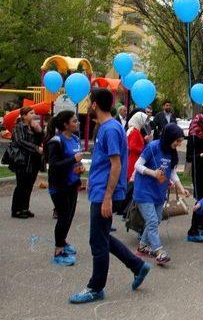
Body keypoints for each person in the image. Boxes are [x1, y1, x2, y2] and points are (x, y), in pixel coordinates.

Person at [69, 88, 151, 304]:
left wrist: (106, 197)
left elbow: (116, 165)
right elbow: (106, 163)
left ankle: (96, 288)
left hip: (105, 194)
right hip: (100, 190)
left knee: (97, 241)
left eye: (89, 101)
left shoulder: (111, 129)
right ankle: (138, 265)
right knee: (103, 236)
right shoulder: (107, 127)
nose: (87, 104)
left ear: (95, 104)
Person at [133, 124, 188, 265]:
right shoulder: (153, 147)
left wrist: (181, 188)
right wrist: (153, 173)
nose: (179, 144)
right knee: (152, 221)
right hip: (144, 191)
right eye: (177, 140)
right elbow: (137, 165)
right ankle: (159, 251)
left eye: (180, 141)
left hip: (159, 192)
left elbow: (173, 172)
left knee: (156, 220)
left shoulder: (171, 152)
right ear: (169, 137)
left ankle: (142, 246)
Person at [45, 111, 84, 266]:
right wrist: (73, 159)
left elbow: (74, 163)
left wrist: (79, 167)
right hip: (59, 186)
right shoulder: (55, 141)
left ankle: (63, 242)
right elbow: (53, 166)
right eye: (74, 121)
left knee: (69, 217)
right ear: (65, 125)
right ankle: (58, 252)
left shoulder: (75, 139)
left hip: (72, 184)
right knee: (62, 218)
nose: (77, 123)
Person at [9, 106, 43, 218]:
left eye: (34, 112)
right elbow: (20, 141)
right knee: (21, 185)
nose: (33, 115)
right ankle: (16, 210)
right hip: (22, 160)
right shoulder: (19, 126)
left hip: (33, 160)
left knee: (29, 185)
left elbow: (41, 139)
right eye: (31, 113)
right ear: (24, 115)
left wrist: (39, 130)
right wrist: (35, 148)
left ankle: (25, 208)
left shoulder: (33, 126)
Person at [186, 114, 203, 242]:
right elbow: (189, 158)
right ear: (201, 123)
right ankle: (192, 231)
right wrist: (202, 154)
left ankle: (200, 225)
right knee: (200, 200)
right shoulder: (193, 136)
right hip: (199, 172)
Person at [126, 111, 151, 182]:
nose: (144, 123)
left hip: (132, 158)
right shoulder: (135, 131)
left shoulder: (132, 129)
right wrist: (143, 150)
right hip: (133, 159)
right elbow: (132, 146)